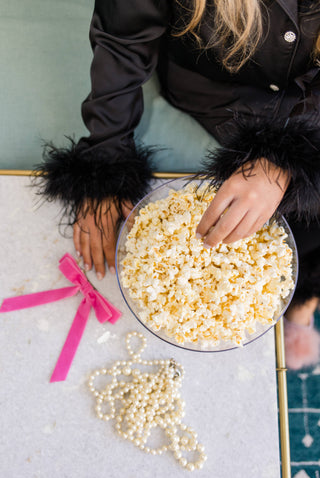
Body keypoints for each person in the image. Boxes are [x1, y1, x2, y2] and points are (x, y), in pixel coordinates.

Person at [36, 0, 320, 369]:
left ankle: (302, 298)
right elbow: (123, 40)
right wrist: (105, 160)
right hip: (221, 94)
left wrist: (287, 156)